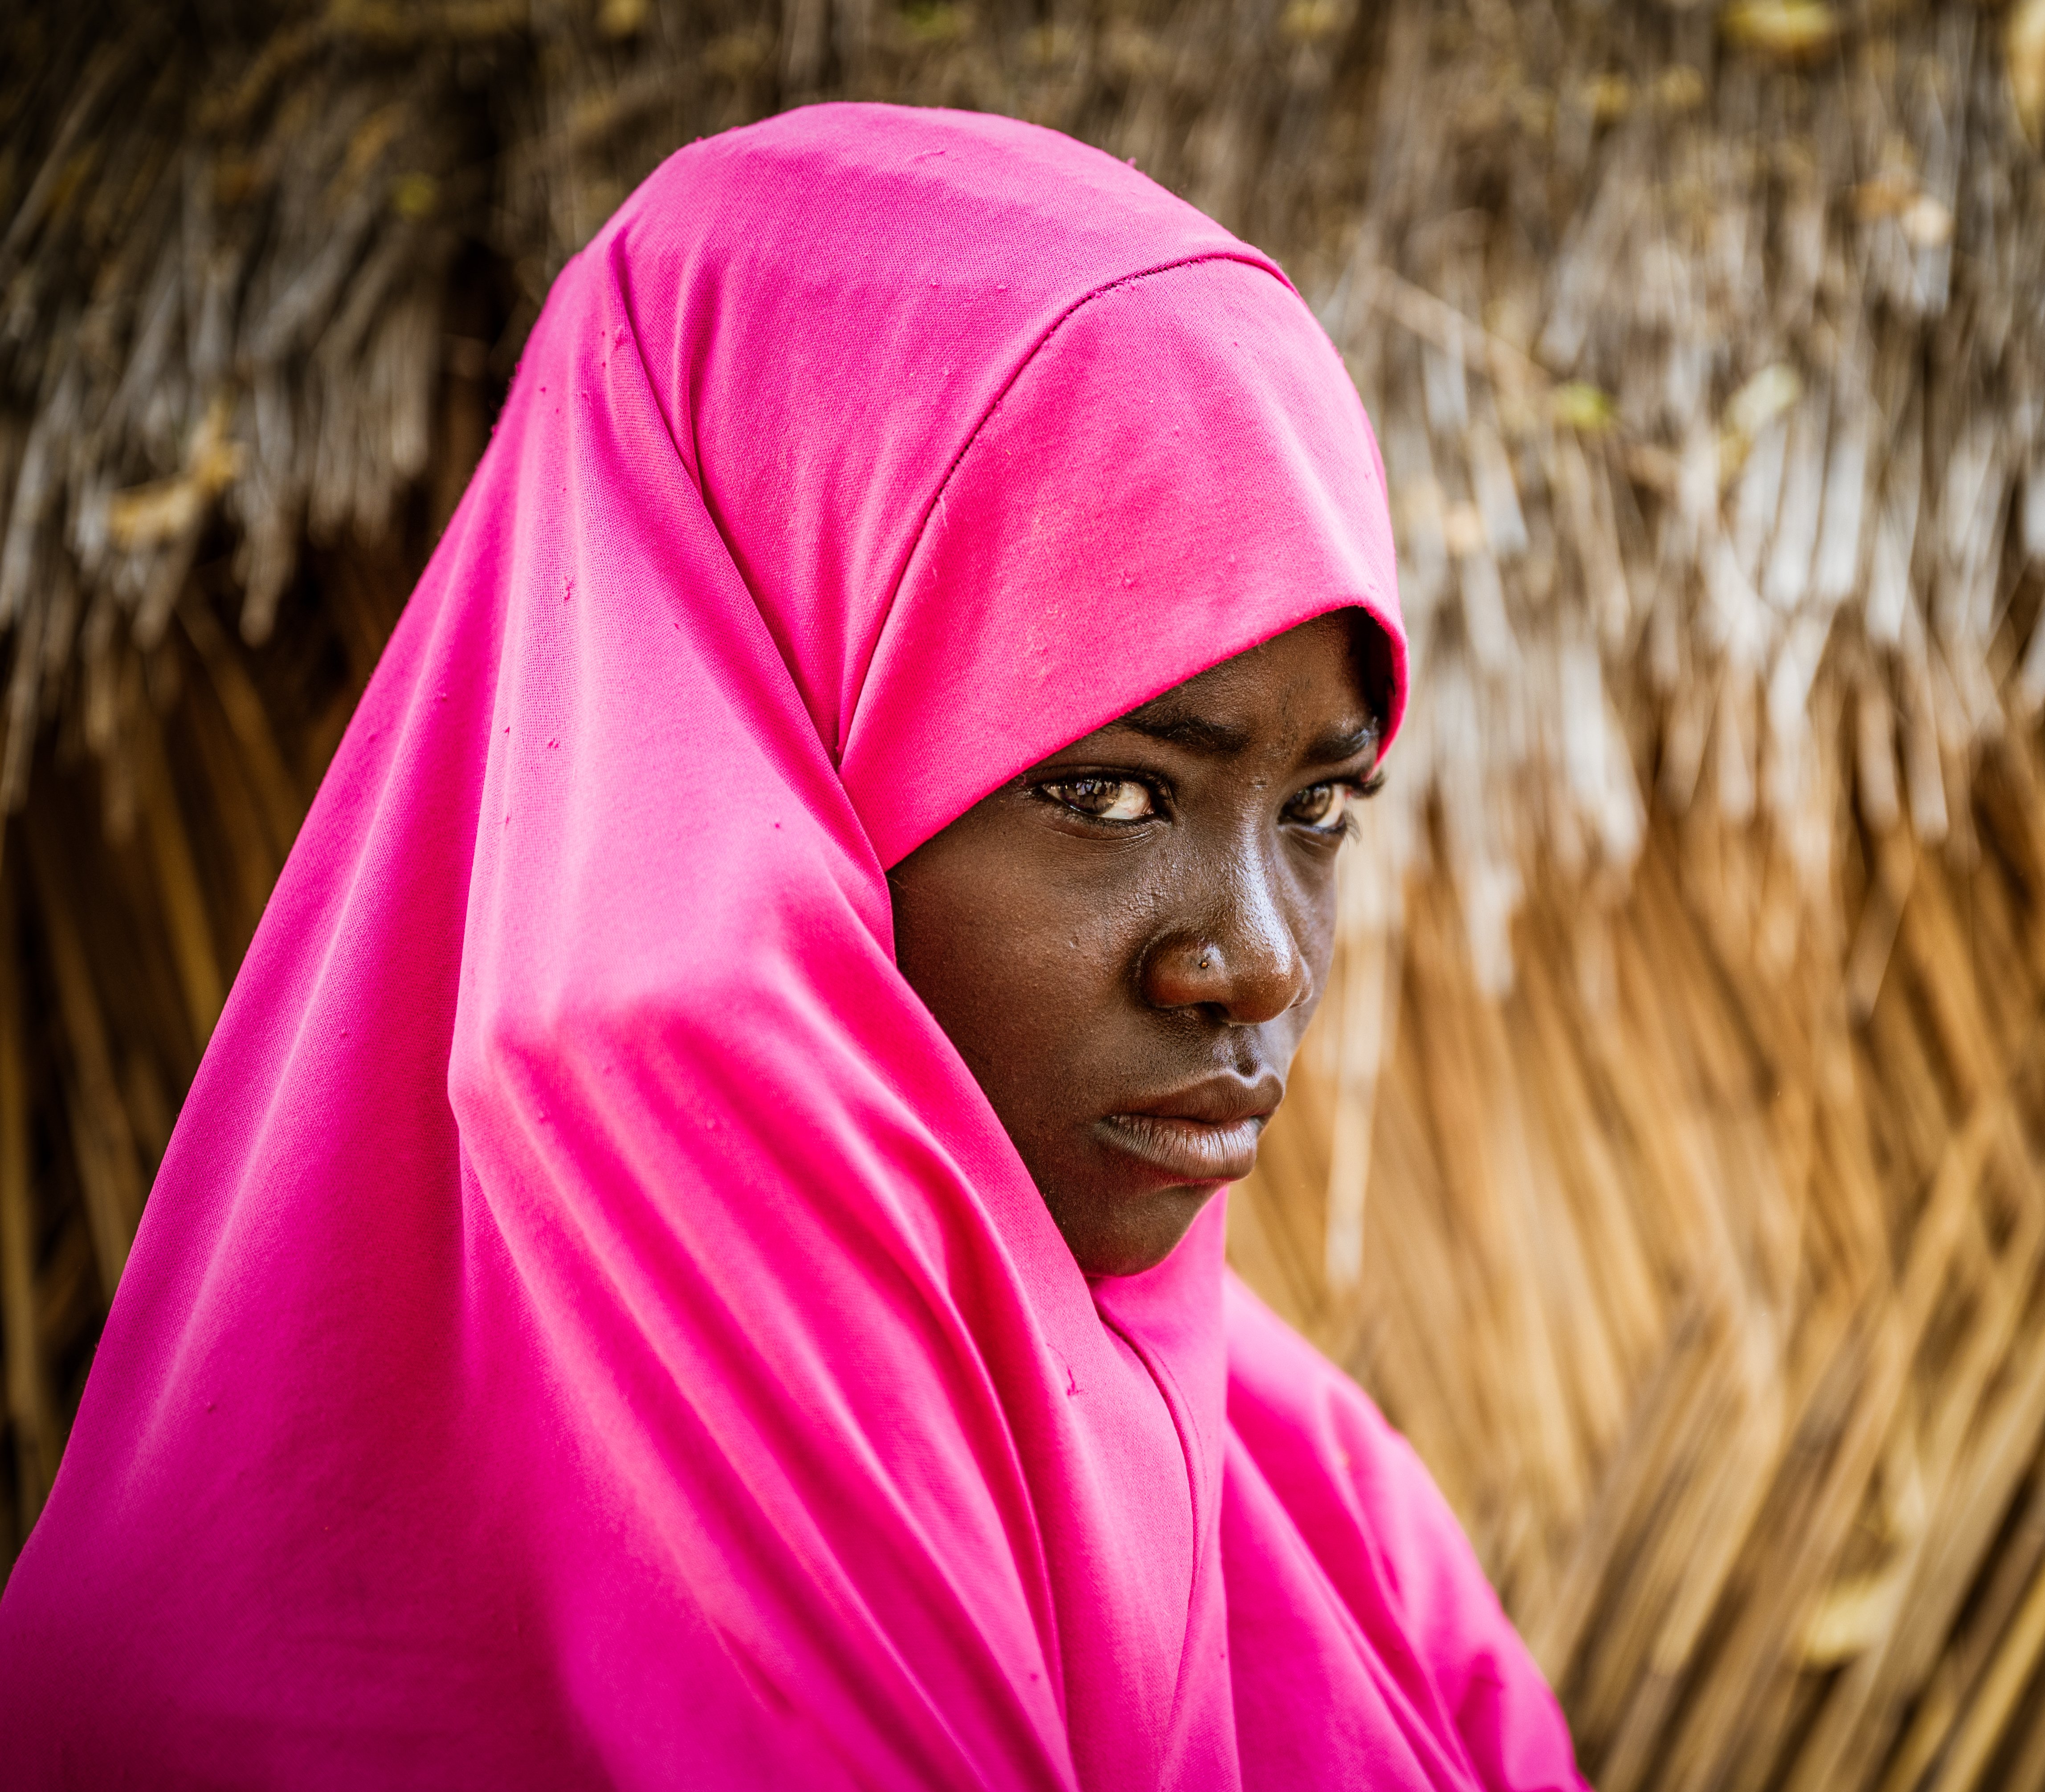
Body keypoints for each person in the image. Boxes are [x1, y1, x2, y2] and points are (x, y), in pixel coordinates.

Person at [0, 105, 1583, 1788]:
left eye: (1322, 807)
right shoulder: (199, 1707)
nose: (1261, 963)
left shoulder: (1348, 1553)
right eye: (1111, 792)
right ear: (751, 798)